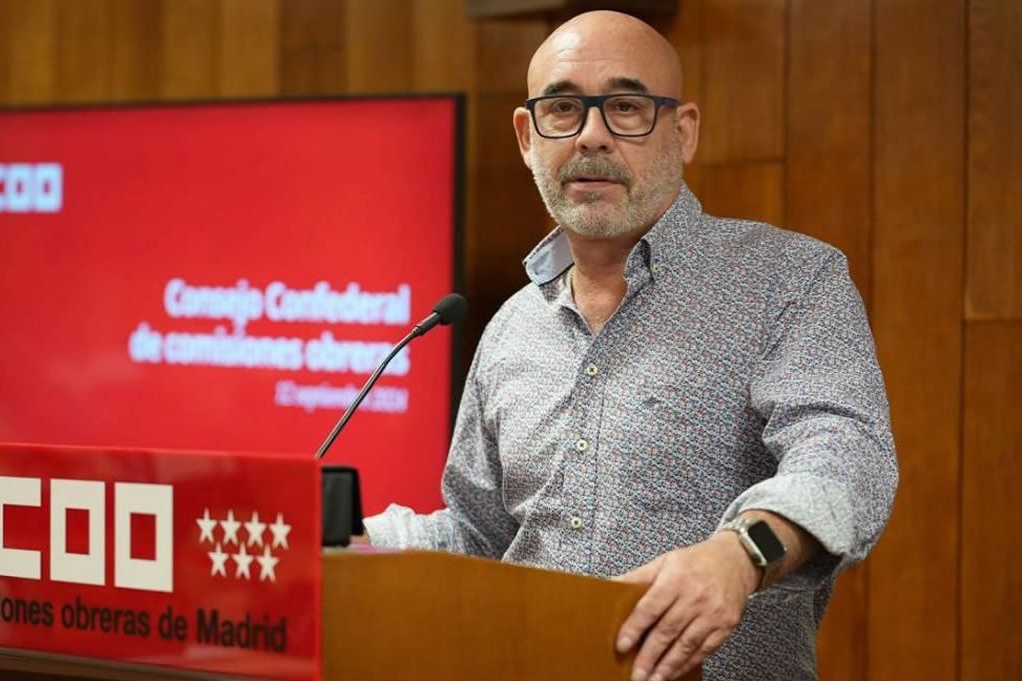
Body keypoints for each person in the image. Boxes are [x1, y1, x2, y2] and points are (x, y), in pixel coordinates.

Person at [362, 10, 897, 681]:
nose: (592, 135)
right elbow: (481, 535)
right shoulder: (510, 327)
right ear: (528, 137)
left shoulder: (789, 281)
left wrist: (739, 553)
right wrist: (343, 538)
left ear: (683, 131)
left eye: (626, 106)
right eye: (563, 108)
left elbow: (848, 458)